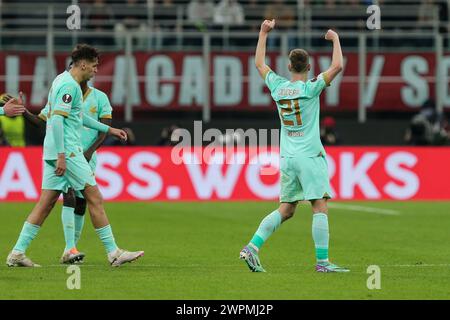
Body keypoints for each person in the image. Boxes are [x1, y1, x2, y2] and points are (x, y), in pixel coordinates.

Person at [6, 44, 144, 267]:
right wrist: (62, 155)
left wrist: (109, 129)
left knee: (46, 203)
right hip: (68, 151)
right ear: (83, 64)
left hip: (51, 151)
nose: (96, 70)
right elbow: (58, 120)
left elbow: (75, 118)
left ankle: (17, 253)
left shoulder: (61, 80)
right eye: (94, 66)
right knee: (94, 197)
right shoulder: (70, 86)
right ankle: (114, 253)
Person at [239, 20, 349, 273]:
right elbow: (338, 65)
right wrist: (335, 39)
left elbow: (259, 63)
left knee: (287, 209)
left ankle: (252, 248)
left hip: (287, 156)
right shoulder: (312, 88)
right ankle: (322, 263)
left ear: (288, 66)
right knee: (319, 205)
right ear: (309, 67)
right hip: (309, 154)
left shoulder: (278, 86)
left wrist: (263, 33)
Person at [21, 77, 114, 264]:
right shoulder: (63, 91)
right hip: (67, 154)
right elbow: (42, 121)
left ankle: (24, 251)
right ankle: (78, 248)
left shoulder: (99, 97)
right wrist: (23, 112)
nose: (93, 70)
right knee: (71, 195)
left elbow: (102, 129)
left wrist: (89, 151)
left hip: (85, 155)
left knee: (79, 202)